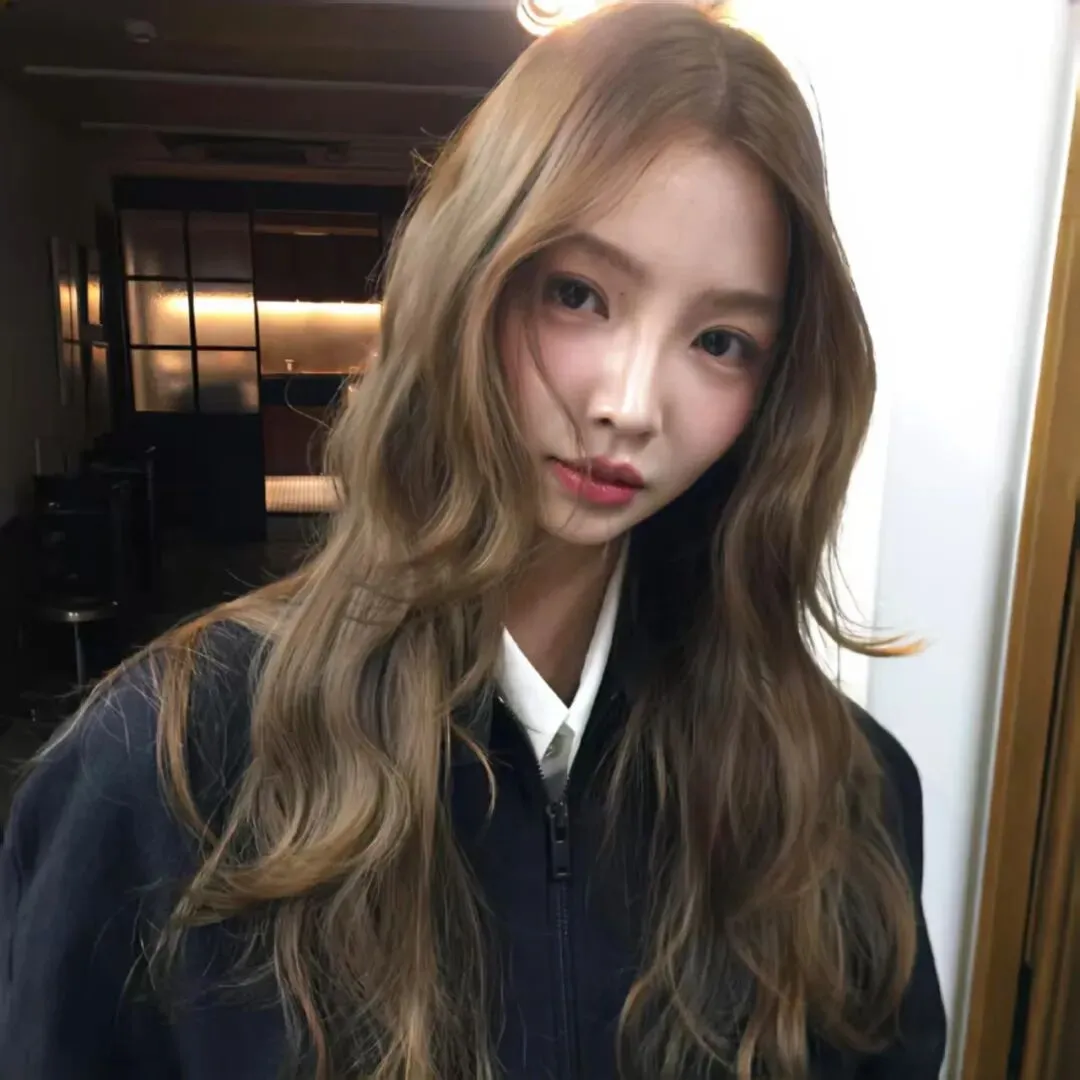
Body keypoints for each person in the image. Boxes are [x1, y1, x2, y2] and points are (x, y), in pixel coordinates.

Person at [0, 4, 947, 1079]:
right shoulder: (163, 769)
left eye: (720, 341)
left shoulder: (841, 793)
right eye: (578, 295)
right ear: (467, 279)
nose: (631, 404)